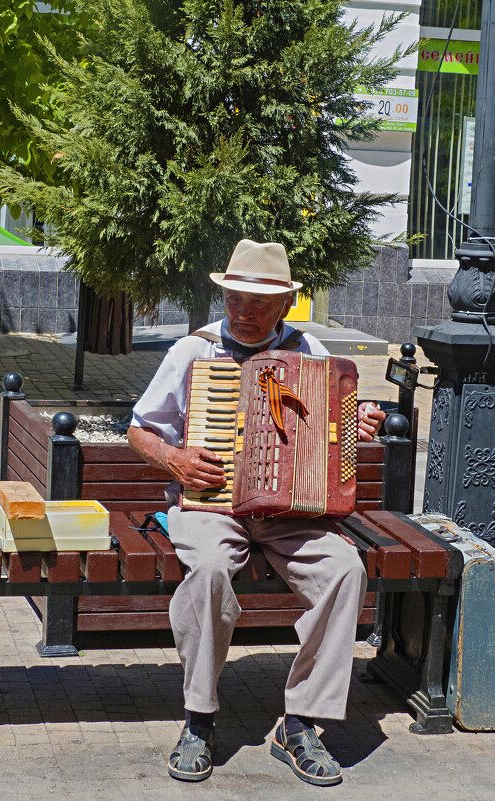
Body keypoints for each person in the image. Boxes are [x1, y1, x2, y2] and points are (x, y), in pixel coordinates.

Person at [127, 239, 386, 787]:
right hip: (213, 505)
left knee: (346, 570)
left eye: (259, 303)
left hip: (291, 511)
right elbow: (140, 429)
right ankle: (199, 717)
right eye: (236, 300)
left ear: (286, 306)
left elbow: (328, 434)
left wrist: (355, 424)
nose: (244, 313)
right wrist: (175, 459)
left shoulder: (309, 349)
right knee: (210, 572)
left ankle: (300, 723)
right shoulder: (193, 351)